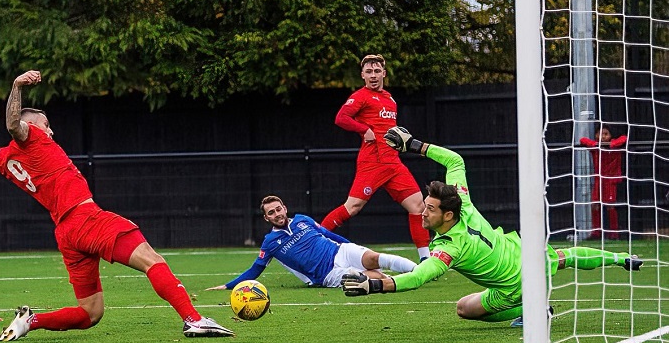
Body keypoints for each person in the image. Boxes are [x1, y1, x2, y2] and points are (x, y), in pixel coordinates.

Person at [0, 70, 234, 341]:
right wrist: (17, 85)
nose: (51, 131)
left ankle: (31, 322)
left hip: (67, 232)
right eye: (46, 125)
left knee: (91, 313)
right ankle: (194, 320)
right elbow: (13, 124)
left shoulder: (4, 158)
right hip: (86, 217)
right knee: (152, 259)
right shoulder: (31, 137)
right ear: (32, 126)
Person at [341, 126, 642, 328]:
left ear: (447, 216)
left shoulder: (449, 248)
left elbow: (418, 277)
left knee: (463, 308)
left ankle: (532, 311)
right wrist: (414, 145)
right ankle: (622, 260)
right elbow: (454, 160)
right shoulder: (463, 201)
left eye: (429, 209)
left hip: (511, 287)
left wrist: (374, 285)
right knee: (564, 258)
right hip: (523, 255)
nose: (422, 211)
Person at [320, 54, 430, 261]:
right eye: (369, 72)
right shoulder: (361, 96)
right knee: (352, 207)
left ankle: (426, 260)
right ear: (362, 75)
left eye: (377, 71)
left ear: (384, 74)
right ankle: (313, 242)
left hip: (393, 163)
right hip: (372, 162)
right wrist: (364, 130)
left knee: (418, 206)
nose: (373, 75)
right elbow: (341, 118)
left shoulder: (390, 99)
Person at [206, 195, 417, 292]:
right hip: (326, 275)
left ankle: (420, 270)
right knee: (374, 276)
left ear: (284, 208)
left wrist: (351, 247)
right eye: (271, 212)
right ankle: (404, 280)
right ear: (266, 218)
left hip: (340, 252)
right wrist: (228, 286)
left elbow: (329, 234)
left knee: (373, 258)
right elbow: (255, 270)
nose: (277, 214)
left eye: (278, 209)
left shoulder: (303, 220)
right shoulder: (270, 243)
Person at [579, 124, 627, 240]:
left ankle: (614, 234)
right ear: (596, 135)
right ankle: (596, 232)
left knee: (610, 206)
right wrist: (595, 144)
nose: (603, 137)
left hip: (611, 181)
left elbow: (624, 138)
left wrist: (612, 144)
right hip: (598, 180)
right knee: (595, 205)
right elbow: (582, 140)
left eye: (606, 134)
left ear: (610, 136)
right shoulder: (595, 148)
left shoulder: (615, 146)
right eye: (600, 134)